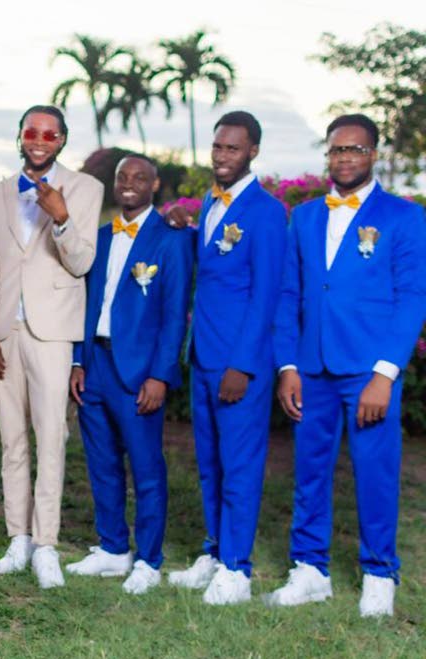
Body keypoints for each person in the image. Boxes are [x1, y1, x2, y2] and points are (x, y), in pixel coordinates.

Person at [268, 114, 426, 617]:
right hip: (311, 366)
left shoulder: (403, 216)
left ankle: (379, 573)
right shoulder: (306, 216)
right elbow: (290, 292)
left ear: (373, 155)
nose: (344, 158)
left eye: (355, 149)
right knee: (309, 471)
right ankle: (309, 569)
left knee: (375, 471)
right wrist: (287, 365)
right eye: (336, 150)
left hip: (369, 370)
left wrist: (386, 373)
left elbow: (412, 298)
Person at [166, 111, 287, 605]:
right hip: (204, 356)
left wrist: (244, 364)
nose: (221, 156)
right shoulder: (214, 206)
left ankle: (237, 568)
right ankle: (214, 552)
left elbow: (266, 294)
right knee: (210, 463)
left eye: (232, 148)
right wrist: (183, 226)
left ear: (252, 151)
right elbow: (213, 266)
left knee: (240, 465)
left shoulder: (266, 210)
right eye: (217, 147)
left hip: (240, 364)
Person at [0, 105, 104, 588]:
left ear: (62, 141)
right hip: (6, 330)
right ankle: (18, 538)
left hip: (53, 332)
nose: (39, 140)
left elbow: (80, 264)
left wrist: (62, 219)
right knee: (11, 439)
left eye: (49, 134)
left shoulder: (86, 190)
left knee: (52, 437)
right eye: (31, 131)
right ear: (20, 137)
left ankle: (46, 543)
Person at [66, 156, 193, 594]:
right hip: (95, 365)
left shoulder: (171, 240)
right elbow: (85, 304)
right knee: (101, 463)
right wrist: (78, 361)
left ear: (155, 184)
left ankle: (149, 560)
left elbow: (175, 315)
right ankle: (113, 548)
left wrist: (160, 374)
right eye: (123, 177)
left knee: (146, 468)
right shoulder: (101, 237)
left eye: (140, 177)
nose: (130, 184)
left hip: (139, 371)